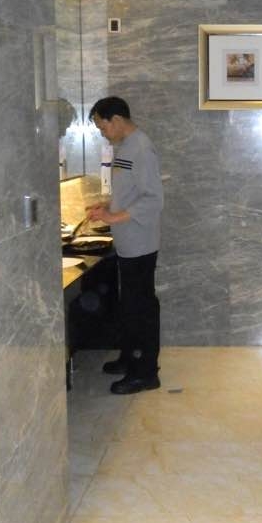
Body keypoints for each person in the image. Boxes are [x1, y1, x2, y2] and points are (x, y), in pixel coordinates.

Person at [86, 96, 163, 395]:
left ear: (116, 120)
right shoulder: (126, 148)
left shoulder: (141, 148)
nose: (103, 133)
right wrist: (107, 206)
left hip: (140, 242)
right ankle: (129, 357)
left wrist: (113, 216)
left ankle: (145, 372)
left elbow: (153, 199)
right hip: (128, 242)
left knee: (141, 307)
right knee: (129, 305)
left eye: (102, 126)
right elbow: (130, 192)